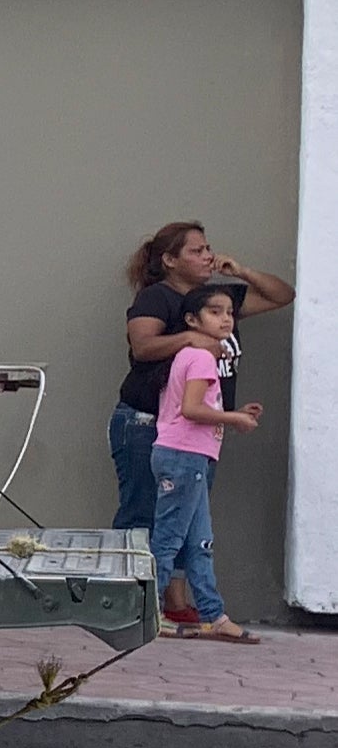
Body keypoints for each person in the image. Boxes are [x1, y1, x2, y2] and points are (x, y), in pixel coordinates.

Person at [109, 224, 291, 621]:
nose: (208, 256)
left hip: (198, 432)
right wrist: (189, 339)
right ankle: (128, 606)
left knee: (184, 517)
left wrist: (241, 271)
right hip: (146, 422)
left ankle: (173, 603)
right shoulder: (157, 297)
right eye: (196, 251)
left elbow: (282, 295)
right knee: (143, 514)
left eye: (208, 248)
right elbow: (143, 347)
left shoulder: (215, 300)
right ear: (169, 260)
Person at [151, 280, 264, 642]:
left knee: (201, 541)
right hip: (183, 456)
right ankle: (149, 613)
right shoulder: (200, 357)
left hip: (189, 456)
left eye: (229, 312)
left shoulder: (193, 357)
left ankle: (213, 615)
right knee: (169, 539)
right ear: (192, 319)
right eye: (215, 312)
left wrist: (233, 412)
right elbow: (191, 409)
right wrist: (234, 419)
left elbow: (194, 405)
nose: (225, 319)